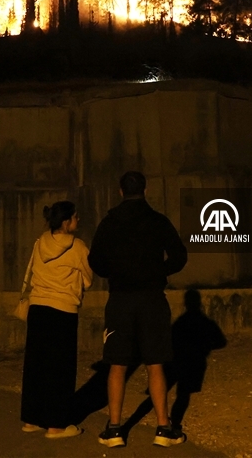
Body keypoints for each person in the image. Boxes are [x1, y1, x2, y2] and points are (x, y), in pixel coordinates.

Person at [89, 171, 189, 448]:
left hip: (120, 298)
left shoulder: (109, 223)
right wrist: (159, 271)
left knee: (117, 364)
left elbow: (95, 260)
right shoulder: (158, 221)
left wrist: (115, 272)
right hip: (151, 298)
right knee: (155, 364)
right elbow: (179, 256)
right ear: (144, 190)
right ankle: (164, 428)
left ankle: (115, 429)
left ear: (120, 191)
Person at [20, 201, 93, 439]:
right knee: (60, 368)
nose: (78, 220)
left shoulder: (40, 242)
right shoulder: (78, 247)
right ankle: (56, 425)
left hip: (38, 307)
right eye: (75, 217)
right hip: (62, 309)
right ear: (66, 222)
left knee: (36, 365)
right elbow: (89, 278)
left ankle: (31, 419)